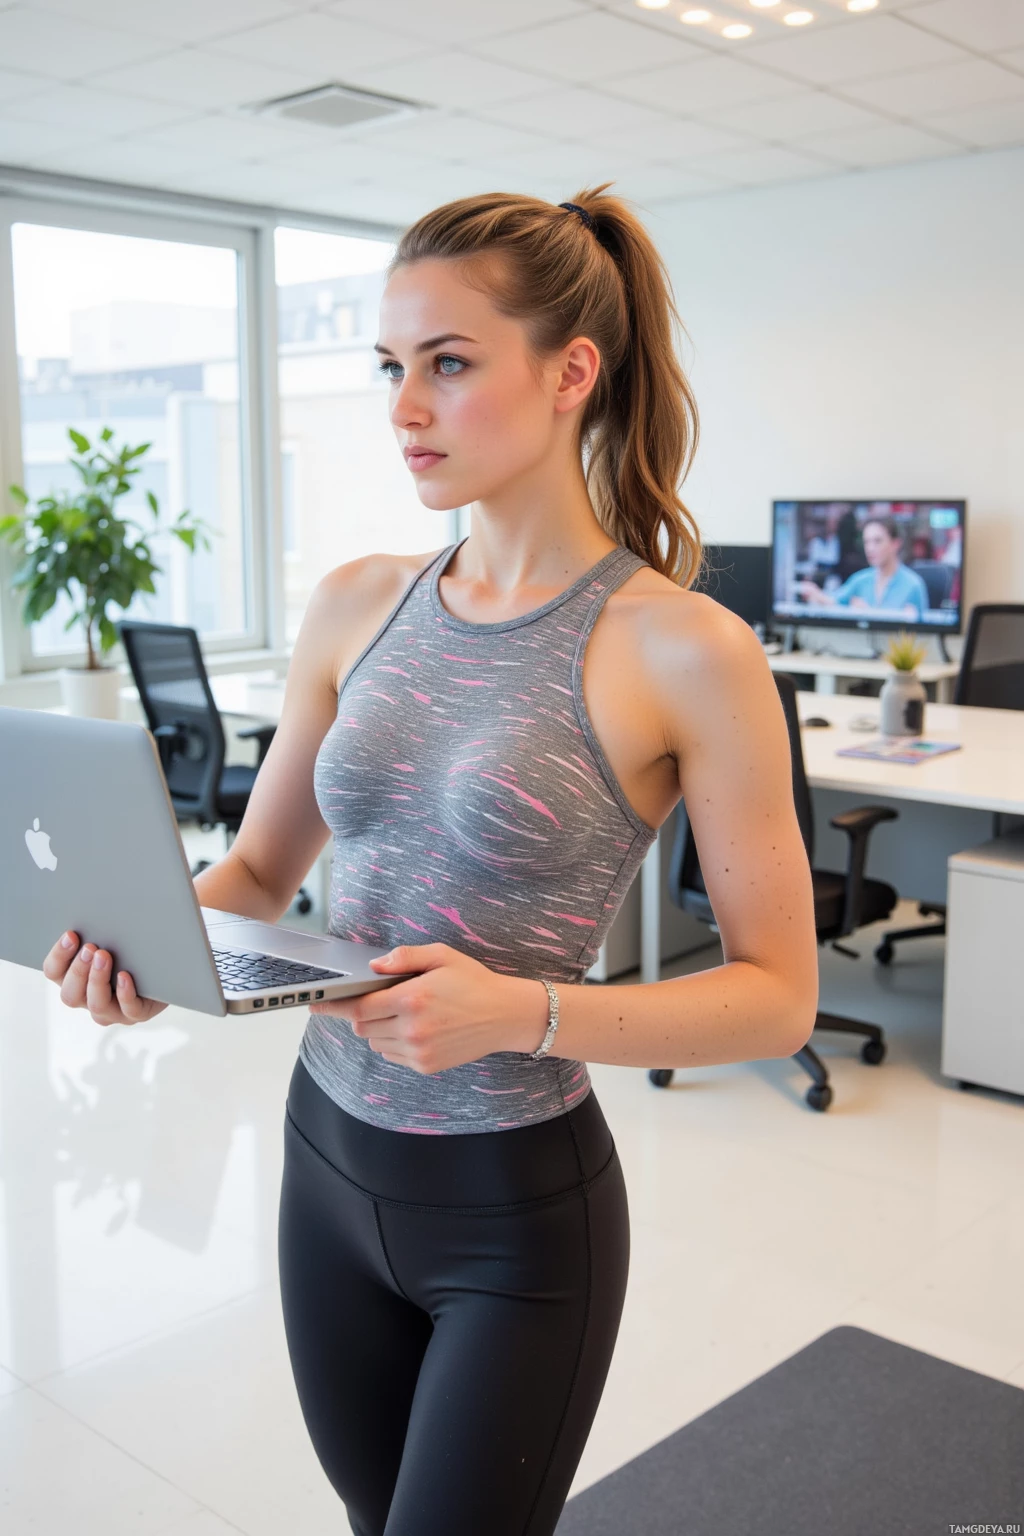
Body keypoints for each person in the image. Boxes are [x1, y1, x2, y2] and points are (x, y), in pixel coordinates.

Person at [43, 187, 818, 1536]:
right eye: (390, 366)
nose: (405, 407)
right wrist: (143, 948)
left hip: (511, 1208)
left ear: (570, 373)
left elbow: (778, 997)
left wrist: (521, 1011)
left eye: (448, 364)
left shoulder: (686, 648)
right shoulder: (359, 600)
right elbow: (258, 874)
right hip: (325, 1161)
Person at [796, 516, 929, 620]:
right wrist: (814, 593)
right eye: (867, 542)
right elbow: (833, 602)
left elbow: (923, 632)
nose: (870, 548)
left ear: (895, 543)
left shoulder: (913, 585)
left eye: (877, 541)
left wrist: (868, 613)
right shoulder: (860, 580)